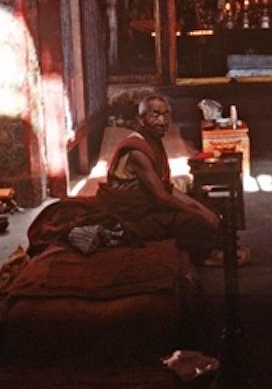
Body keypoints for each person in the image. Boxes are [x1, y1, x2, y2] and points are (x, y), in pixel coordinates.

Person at [94, 95, 225, 264]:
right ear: (141, 119)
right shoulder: (137, 150)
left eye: (167, 115)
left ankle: (211, 247)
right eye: (155, 116)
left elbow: (166, 187)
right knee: (192, 220)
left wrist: (199, 207)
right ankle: (205, 257)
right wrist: (197, 213)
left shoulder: (153, 141)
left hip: (149, 205)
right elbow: (161, 196)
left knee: (204, 203)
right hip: (133, 217)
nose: (163, 122)